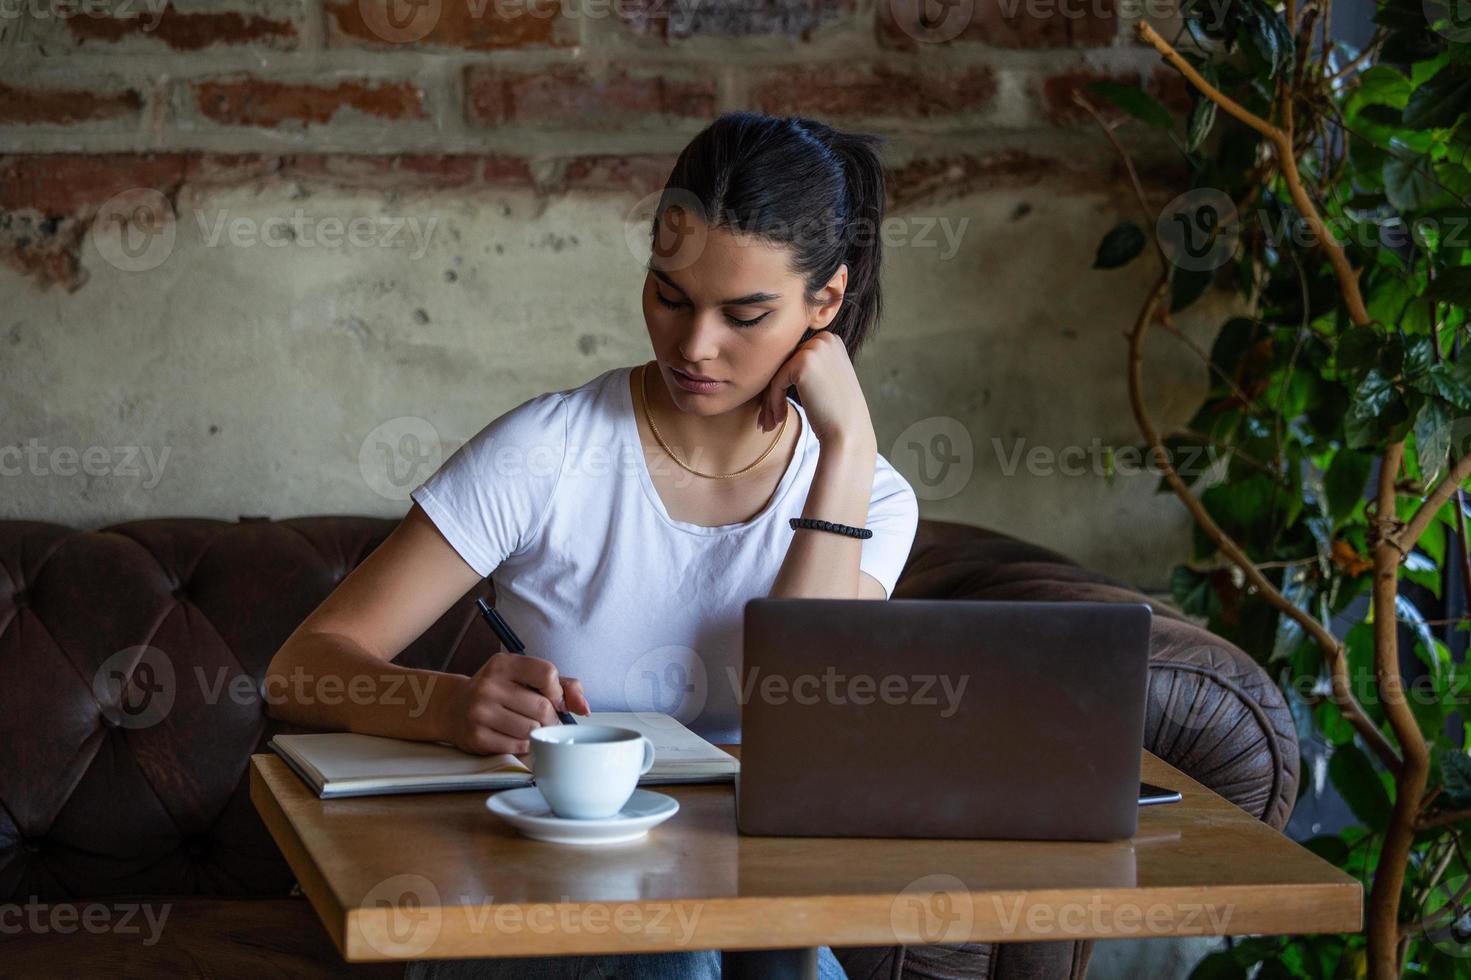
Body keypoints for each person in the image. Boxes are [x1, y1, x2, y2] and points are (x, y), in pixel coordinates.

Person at [265, 110, 921, 980]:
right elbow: (301, 667)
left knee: (779, 954)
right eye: (669, 295)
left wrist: (846, 448)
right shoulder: (550, 450)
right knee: (673, 957)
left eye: (744, 315)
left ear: (824, 305)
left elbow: (799, 719)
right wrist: (449, 705)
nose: (694, 347)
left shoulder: (869, 492)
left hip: (751, 895)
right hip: (539, 897)